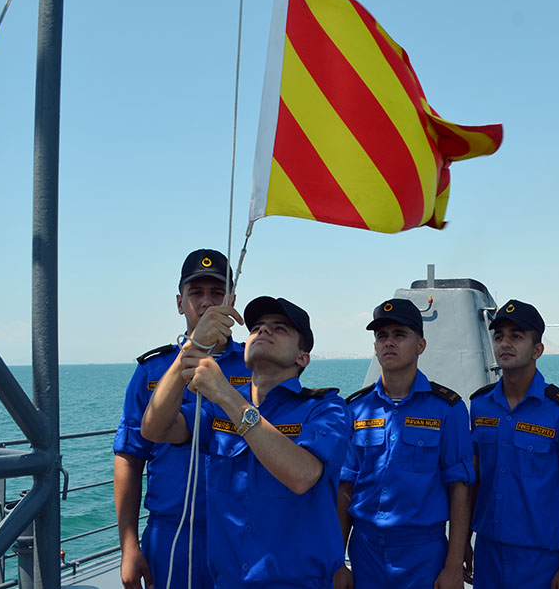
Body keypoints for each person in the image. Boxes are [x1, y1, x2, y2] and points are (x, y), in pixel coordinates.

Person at [141, 295, 351, 589]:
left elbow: (302, 475)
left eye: (280, 328)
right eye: (257, 327)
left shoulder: (326, 409)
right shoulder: (218, 410)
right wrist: (189, 351)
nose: (264, 331)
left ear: (302, 357)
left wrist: (226, 395)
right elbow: (155, 429)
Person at [113, 249, 249, 589]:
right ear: (179, 302)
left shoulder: (256, 366)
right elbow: (129, 457)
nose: (206, 303)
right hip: (172, 533)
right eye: (196, 293)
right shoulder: (151, 371)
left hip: (240, 529)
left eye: (217, 293)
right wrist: (128, 546)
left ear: (231, 300)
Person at [336, 298, 475, 589]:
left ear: (420, 345)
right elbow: (346, 486)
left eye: (399, 335)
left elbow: (460, 488)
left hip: (423, 553)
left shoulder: (447, 409)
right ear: (375, 347)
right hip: (365, 551)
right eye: (382, 336)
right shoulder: (356, 409)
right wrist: (337, 561)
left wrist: (452, 566)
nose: (388, 343)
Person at [468, 299, 559, 589]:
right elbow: (474, 480)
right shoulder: (480, 406)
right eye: (499, 336)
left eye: (517, 336)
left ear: (537, 349)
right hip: (488, 554)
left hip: (542, 561)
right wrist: (464, 541)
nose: (505, 343)